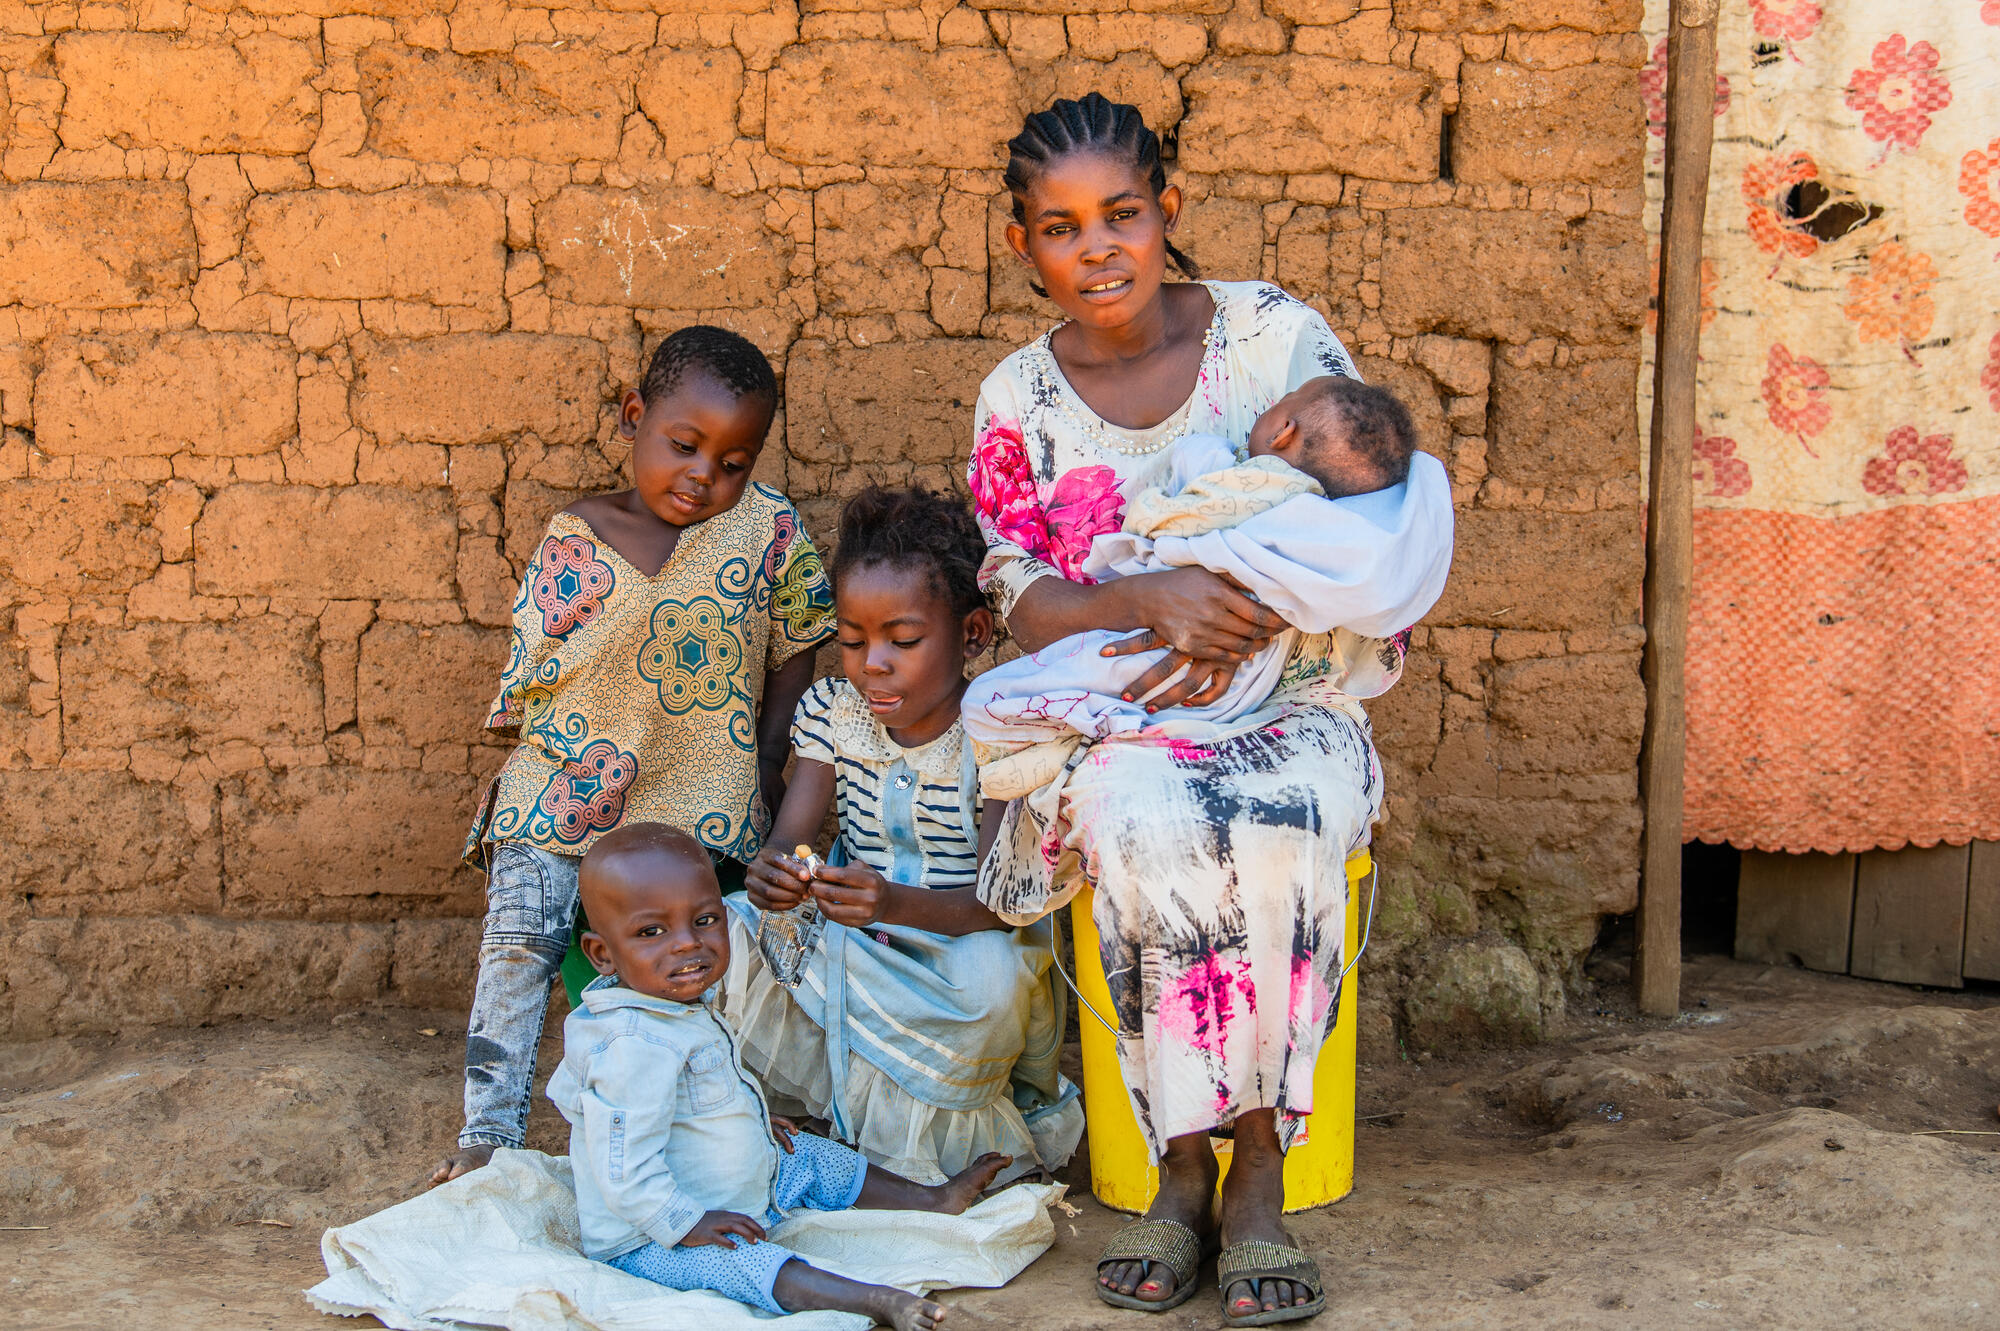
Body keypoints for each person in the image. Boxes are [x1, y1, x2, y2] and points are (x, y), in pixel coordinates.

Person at [968, 94, 1454, 1325]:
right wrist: (1144, 591)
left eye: (1122, 215)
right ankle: (1178, 1169)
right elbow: (1017, 593)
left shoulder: (1271, 336)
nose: (1098, 248)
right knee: (1141, 820)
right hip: (1117, 707)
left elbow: (1375, 512)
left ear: (1165, 212)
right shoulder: (1014, 400)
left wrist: (1248, 605)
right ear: (1022, 242)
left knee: (1287, 812)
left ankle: (1258, 1177)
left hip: (1285, 689)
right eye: (1060, 226)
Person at [433, 326, 835, 1187]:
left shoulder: (769, 533)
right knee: (520, 940)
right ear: (633, 418)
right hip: (572, 796)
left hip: (708, 809)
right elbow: (534, 689)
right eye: (684, 446)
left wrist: (769, 795)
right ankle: (488, 1135)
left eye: (734, 461)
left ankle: (750, 1123)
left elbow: (794, 667)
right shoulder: (574, 537)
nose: (704, 477)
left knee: (741, 967)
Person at [723, 487, 1082, 1187]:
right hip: (853, 934)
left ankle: (911, 1129)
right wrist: (776, 873)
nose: (871, 664)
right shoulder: (833, 713)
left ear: (973, 634)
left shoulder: (995, 733)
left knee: (993, 991)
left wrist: (889, 903)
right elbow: (791, 838)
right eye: (853, 641)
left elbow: (994, 902)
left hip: (959, 941)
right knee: (731, 934)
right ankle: (832, 1104)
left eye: (903, 640)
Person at [549, 823, 1011, 1330]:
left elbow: (697, 1093)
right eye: (651, 932)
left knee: (809, 1154)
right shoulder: (630, 1046)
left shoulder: (667, 1001)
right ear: (601, 954)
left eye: (704, 920)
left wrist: (749, 1118)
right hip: (652, 1238)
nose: (687, 945)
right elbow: (623, 1169)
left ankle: (931, 1200)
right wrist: (688, 1224)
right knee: (745, 1262)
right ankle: (878, 1301)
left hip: (733, 1190)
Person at [961, 375, 1453, 781]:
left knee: (989, 700)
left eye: (1279, 402)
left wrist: (1202, 456)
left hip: (1149, 648)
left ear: (1282, 429)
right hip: (1249, 683)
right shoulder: (1325, 531)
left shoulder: (1257, 485)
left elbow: (1177, 519)